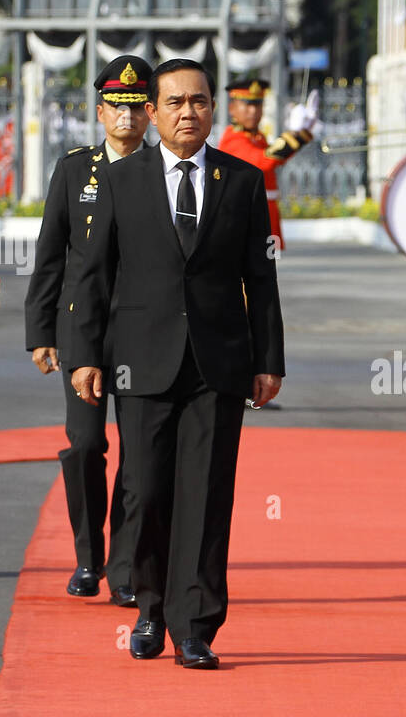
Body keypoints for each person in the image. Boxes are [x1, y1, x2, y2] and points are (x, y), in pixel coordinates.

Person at [69, 58, 284, 669]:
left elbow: (260, 277)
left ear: (212, 108)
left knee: (209, 494)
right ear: (153, 112)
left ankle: (197, 627)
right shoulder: (120, 179)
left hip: (218, 362)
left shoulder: (240, 181)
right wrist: (85, 354)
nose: (188, 112)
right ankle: (149, 607)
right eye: (175, 103)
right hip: (139, 362)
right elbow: (94, 274)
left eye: (199, 101)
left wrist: (268, 359)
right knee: (146, 487)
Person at [23, 55, 153, 606]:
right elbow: (51, 256)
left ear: (148, 113)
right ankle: (87, 557)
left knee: (140, 458)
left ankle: (126, 567)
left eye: (134, 107)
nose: (125, 117)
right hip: (83, 331)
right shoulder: (75, 170)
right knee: (84, 446)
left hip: (145, 332)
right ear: (100, 112)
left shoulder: (162, 173)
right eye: (115, 107)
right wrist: (41, 332)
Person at [215, 76, 319, 249]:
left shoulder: (257, 137)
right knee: (251, 272)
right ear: (232, 108)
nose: (253, 111)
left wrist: (303, 131)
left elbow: (276, 158)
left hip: (266, 212)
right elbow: (264, 161)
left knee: (269, 269)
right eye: (247, 104)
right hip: (245, 215)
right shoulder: (232, 138)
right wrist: (293, 133)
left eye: (257, 104)